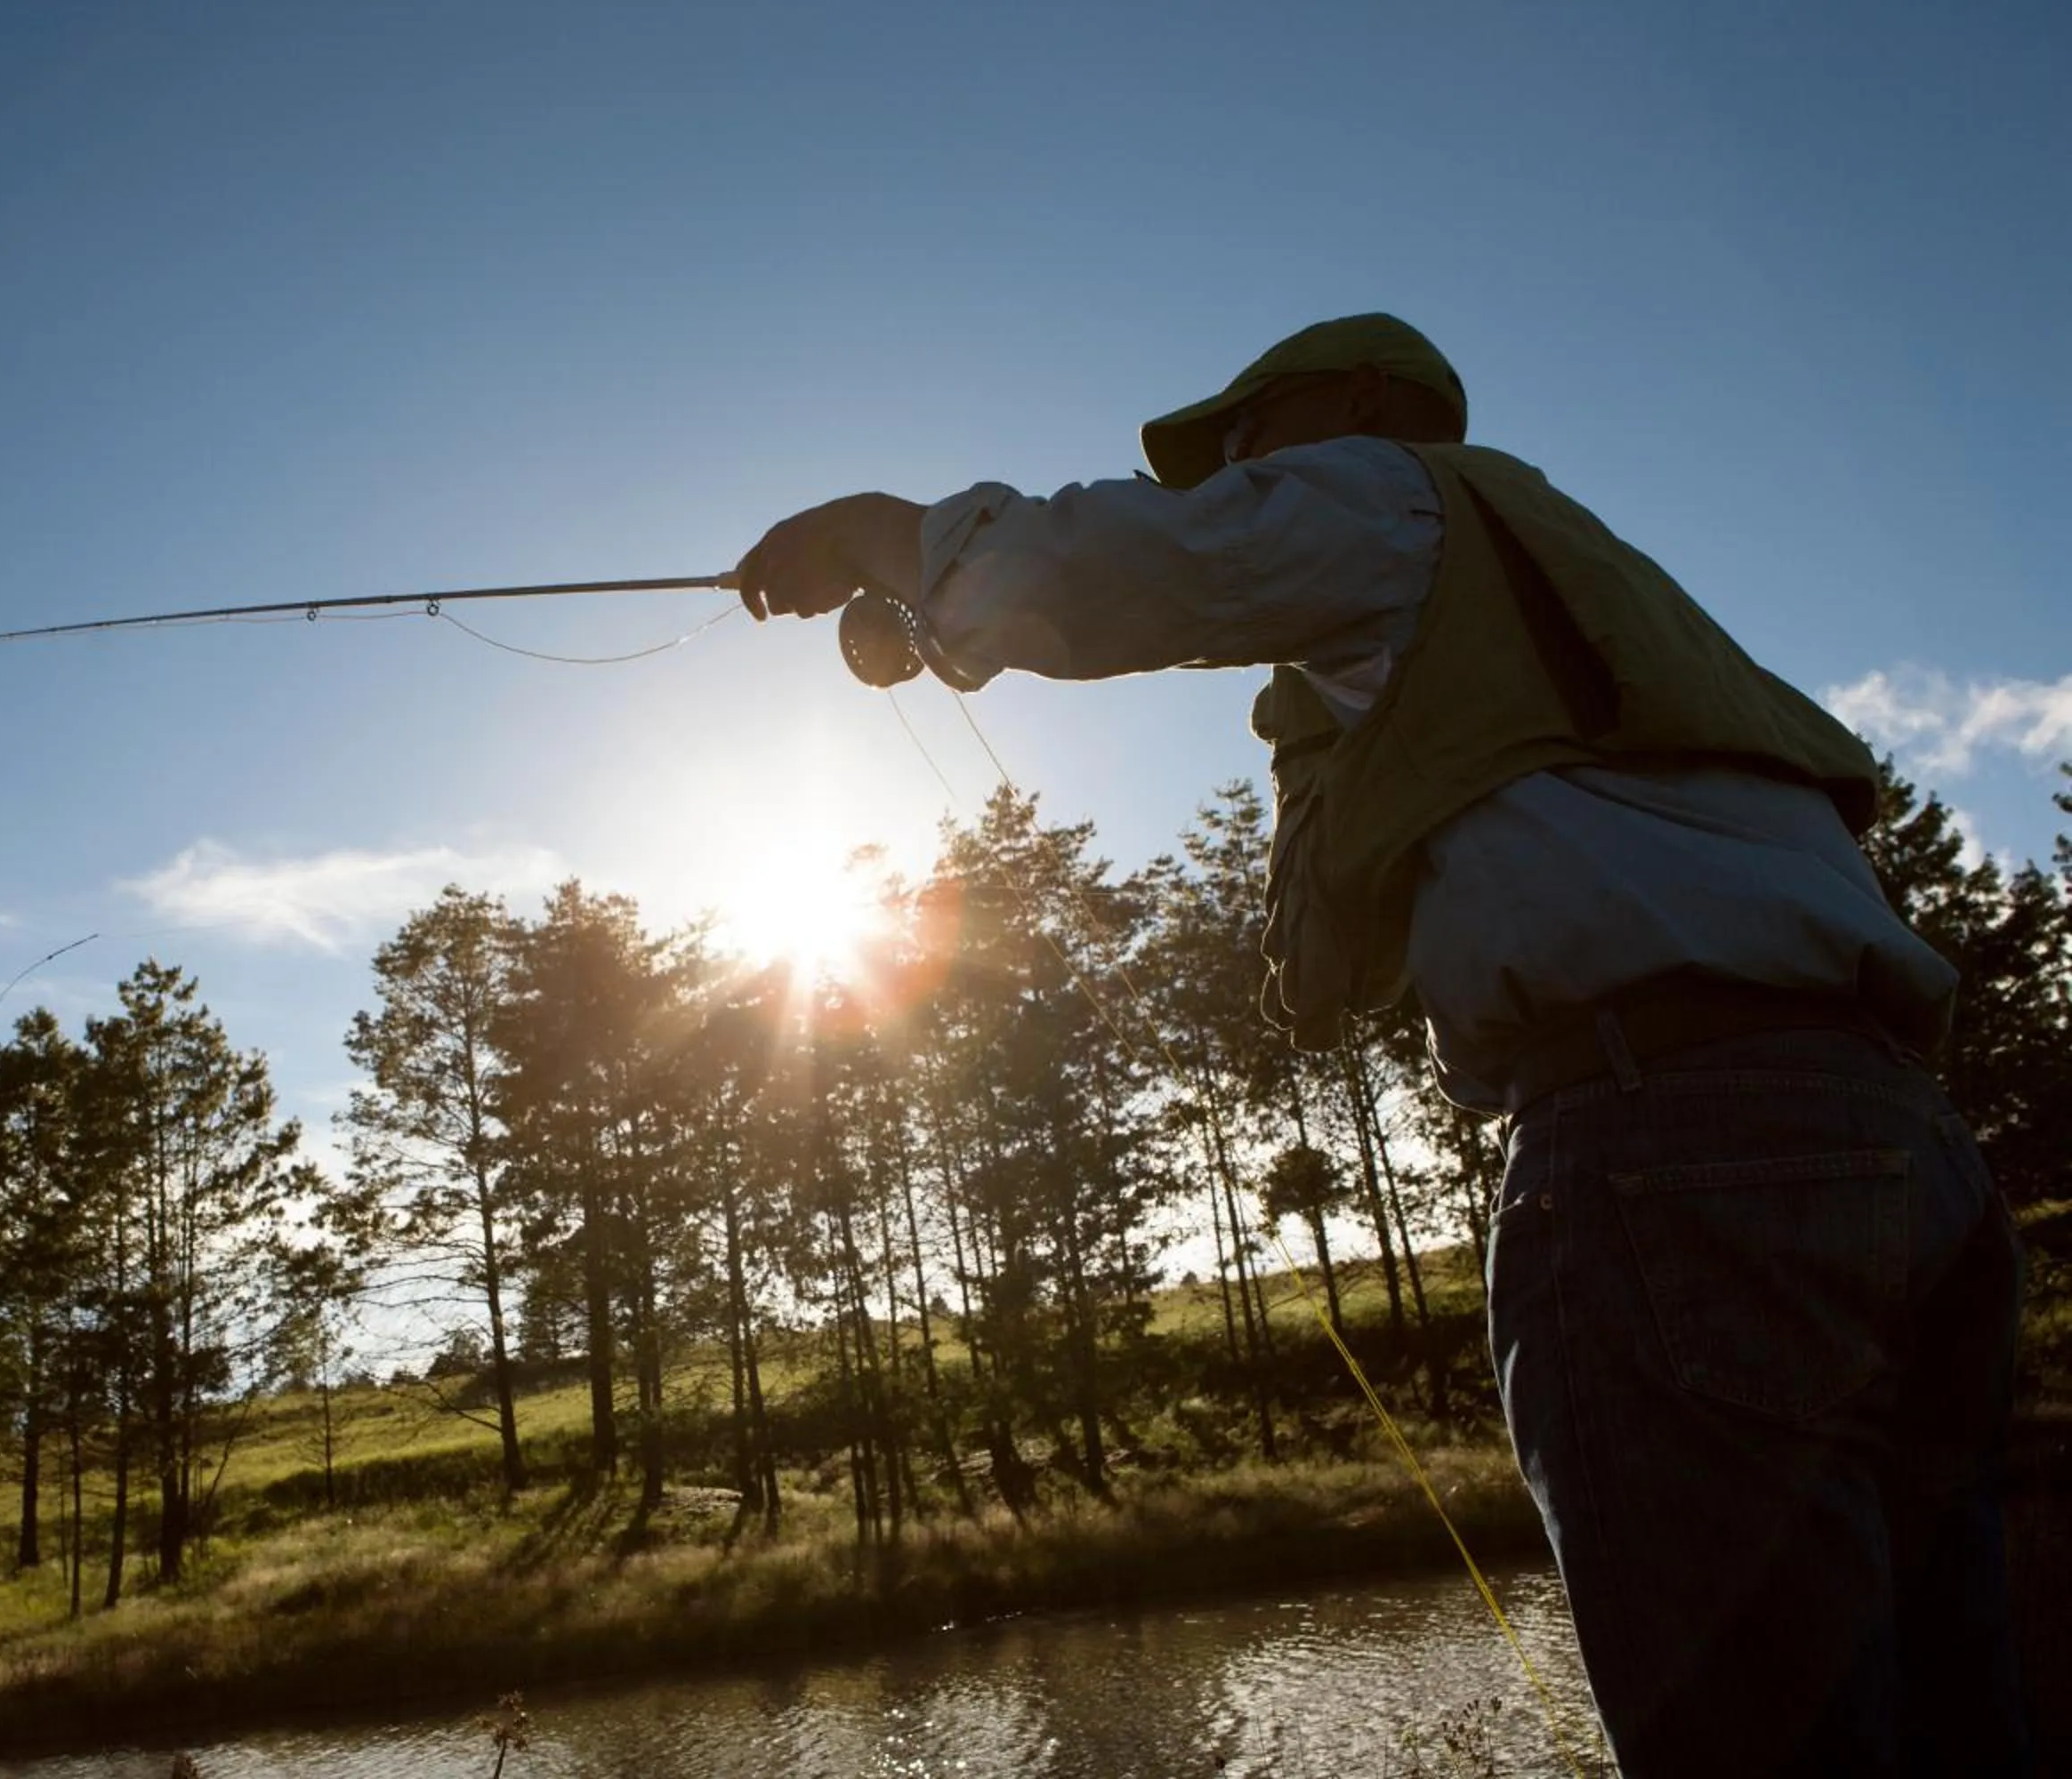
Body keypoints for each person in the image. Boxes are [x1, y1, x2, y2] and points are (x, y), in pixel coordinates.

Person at [730, 313, 2028, 1777]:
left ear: (1355, 403)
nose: (1225, 476)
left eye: (1243, 441)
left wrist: (872, 534)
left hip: (1676, 1155)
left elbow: (1103, 572)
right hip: (1903, 1157)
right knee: (1958, 1729)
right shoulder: (1556, 583)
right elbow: (1336, 942)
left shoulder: (1391, 490)